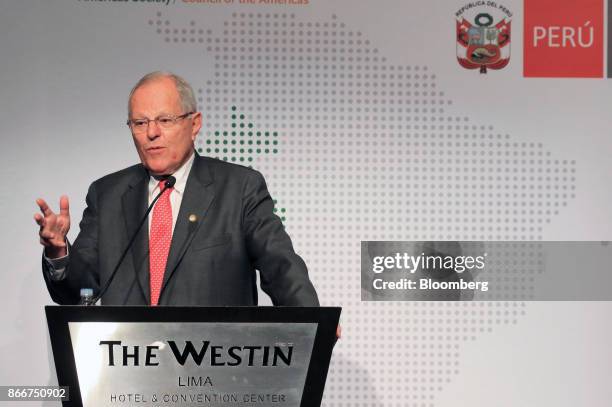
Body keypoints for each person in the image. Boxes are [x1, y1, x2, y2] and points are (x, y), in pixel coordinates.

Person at [34, 71, 319, 307]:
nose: (151, 133)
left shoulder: (239, 188)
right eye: (140, 122)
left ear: (194, 124)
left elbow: (280, 265)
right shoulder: (107, 194)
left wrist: (312, 322)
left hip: (214, 366)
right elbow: (77, 294)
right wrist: (59, 252)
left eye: (165, 120)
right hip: (129, 365)